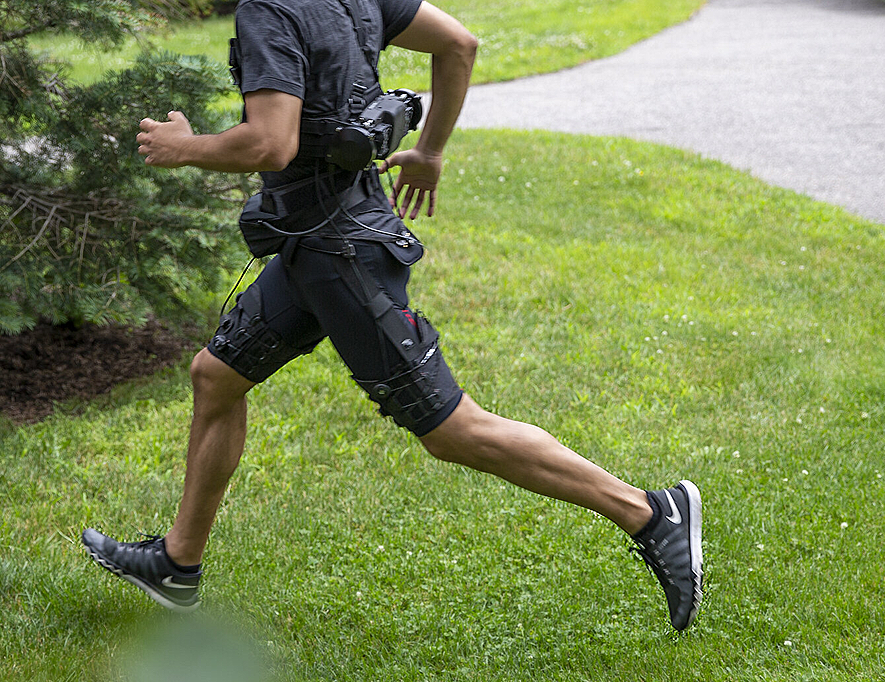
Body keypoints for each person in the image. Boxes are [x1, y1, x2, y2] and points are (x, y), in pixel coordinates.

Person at [81, 0, 704, 632]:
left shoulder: (268, 11)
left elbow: (271, 143)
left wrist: (184, 148)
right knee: (217, 376)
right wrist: (430, 152)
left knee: (450, 429)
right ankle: (178, 564)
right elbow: (458, 44)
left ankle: (650, 514)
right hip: (317, 241)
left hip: (339, 257)